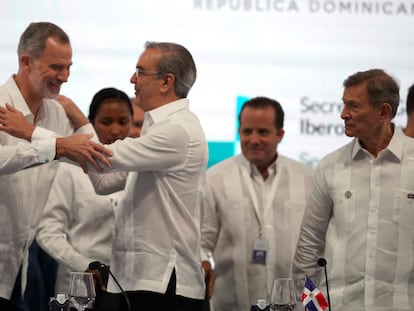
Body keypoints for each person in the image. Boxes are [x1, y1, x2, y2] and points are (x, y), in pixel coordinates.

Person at [62, 41, 208, 311]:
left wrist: (49, 132)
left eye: (140, 72)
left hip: (166, 284)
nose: (132, 79)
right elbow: (104, 183)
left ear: (166, 81)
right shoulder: (158, 130)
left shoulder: (177, 130)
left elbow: (103, 161)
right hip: (136, 280)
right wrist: (57, 150)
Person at [0, 21, 110, 310]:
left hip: (19, 271)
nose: (65, 77)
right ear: (26, 62)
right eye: (57, 67)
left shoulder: (57, 114)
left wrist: (81, 119)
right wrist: (55, 146)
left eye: (69, 67)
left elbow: (98, 162)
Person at [292, 69, 414, 311]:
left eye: (354, 106)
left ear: (383, 112)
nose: (343, 114)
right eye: (343, 104)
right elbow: (309, 247)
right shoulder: (330, 166)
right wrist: (307, 306)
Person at [200, 96, 313, 311]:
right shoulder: (214, 178)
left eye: (262, 132)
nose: (253, 139)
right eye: (246, 131)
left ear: (280, 134)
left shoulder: (307, 178)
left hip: (294, 305)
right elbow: (201, 242)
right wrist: (202, 263)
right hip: (231, 304)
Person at [36, 88, 133, 298]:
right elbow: (47, 232)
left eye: (123, 122)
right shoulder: (70, 169)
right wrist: (85, 265)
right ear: (90, 124)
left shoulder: (140, 169)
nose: (115, 130)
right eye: (106, 122)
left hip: (130, 288)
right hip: (81, 287)